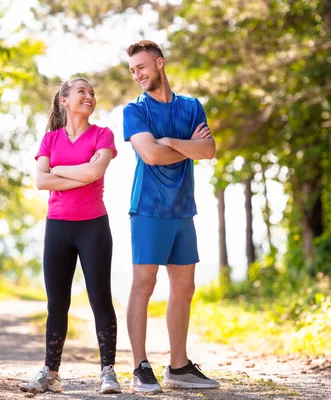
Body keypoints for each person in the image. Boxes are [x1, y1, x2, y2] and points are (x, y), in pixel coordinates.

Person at [122, 40, 220, 393]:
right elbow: (150, 155)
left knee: (184, 287)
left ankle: (178, 367)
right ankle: (140, 367)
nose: (137, 75)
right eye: (133, 70)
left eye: (142, 67)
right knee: (143, 286)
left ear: (159, 64)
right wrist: (184, 144)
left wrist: (168, 140)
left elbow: (208, 149)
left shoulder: (192, 106)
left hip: (182, 210)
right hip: (148, 208)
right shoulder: (134, 111)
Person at [19, 77, 121, 394]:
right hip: (58, 227)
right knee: (56, 304)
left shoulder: (103, 135)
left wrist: (58, 170)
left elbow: (94, 173)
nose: (89, 96)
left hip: (94, 226)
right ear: (64, 100)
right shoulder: (50, 140)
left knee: (100, 299)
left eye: (92, 92)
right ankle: (50, 373)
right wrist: (75, 172)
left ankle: (108, 373)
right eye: (81, 92)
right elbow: (41, 182)